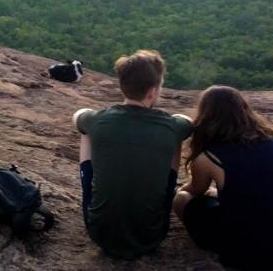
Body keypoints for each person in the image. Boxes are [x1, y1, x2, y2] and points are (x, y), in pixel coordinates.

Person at [174, 85, 273, 271]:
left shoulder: (208, 158)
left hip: (254, 258)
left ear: (205, 116)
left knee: (182, 199)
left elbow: (195, 191)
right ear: (244, 110)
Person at [73, 49, 192, 260]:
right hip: (151, 237)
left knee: (86, 133)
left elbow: (78, 117)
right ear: (152, 92)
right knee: (174, 140)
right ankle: (166, 188)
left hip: (100, 234)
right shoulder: (172, 126)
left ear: (122, 86)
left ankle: (91, 191)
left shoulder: (98, 120)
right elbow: (188, 123)